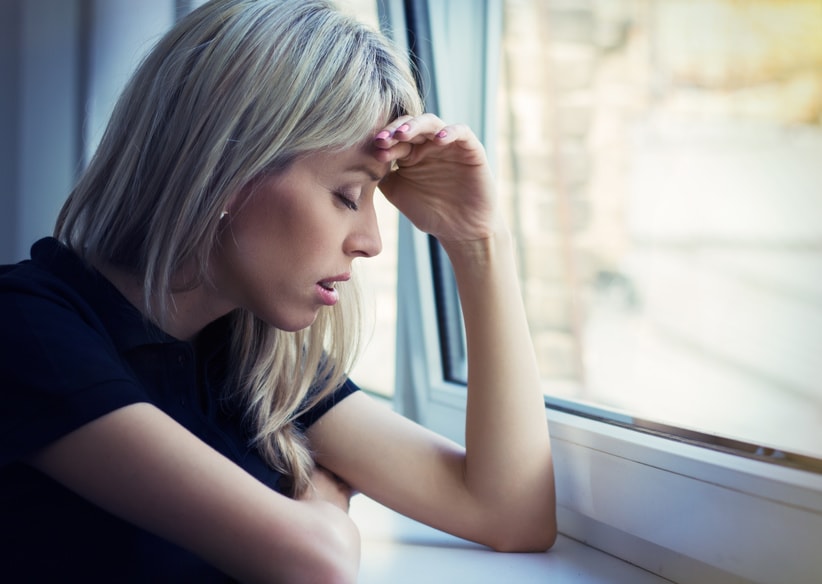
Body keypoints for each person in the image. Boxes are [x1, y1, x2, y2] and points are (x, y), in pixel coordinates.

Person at [0, 0, 556, 581]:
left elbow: (511, 513)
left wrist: (476, 240)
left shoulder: (250, 357)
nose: (370, 242)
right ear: (230, 168)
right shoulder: (25, 330)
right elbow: (316, 564)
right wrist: (321, 495)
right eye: (347, 195)